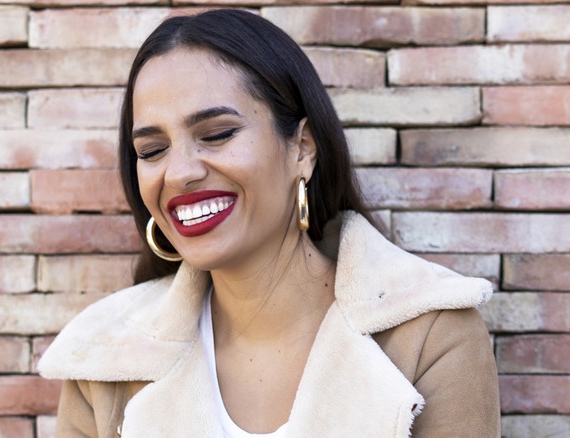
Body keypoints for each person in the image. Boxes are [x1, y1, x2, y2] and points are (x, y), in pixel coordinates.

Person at [39, 9, 500, 437]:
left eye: (216, 134)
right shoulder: (100, 357)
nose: (178, 173)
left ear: (302, 148)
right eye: (152, 150)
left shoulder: (431, 336)